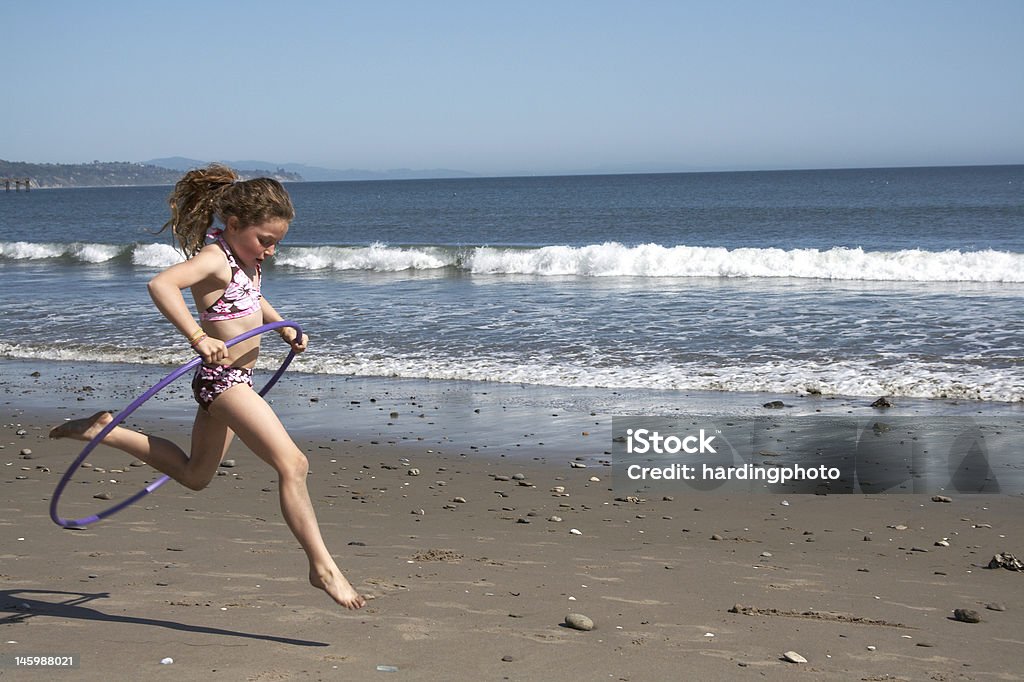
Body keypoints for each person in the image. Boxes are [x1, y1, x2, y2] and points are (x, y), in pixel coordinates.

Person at [50, 164, 366, 610]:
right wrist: (199, 338)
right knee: (294, 464)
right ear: (234, 225)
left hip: (237, 381)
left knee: (196, 476)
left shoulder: (243, 258)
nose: (271, 251)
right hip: (224, 382)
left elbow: (251, 300)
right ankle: (322, 567)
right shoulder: (215, 258)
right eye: (265, 240)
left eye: (277, 242)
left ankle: (105, 429)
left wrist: (281, 328)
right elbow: (161, 284)